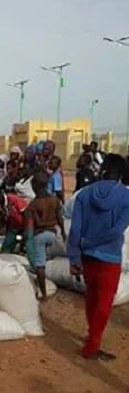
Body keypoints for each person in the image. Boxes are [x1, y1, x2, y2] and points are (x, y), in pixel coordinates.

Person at [68, 154, 129, 360]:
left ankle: (91, 336)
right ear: (121, 174)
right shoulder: (126, 197)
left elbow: (75, 230)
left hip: (87, 257)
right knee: (104, 302)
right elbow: (116, 231)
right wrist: (92, 242)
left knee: (92, 297)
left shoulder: (84, 194)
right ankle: (92, 346)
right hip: (110, 257)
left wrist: (75, 257)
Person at [24, 170, 66, 299]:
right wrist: (63, 232)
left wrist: (26, 240)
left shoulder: (33, 205)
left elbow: (29, 226)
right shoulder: (55, 200)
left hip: (40, 235)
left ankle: (44, 294)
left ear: (34, 186)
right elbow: (60, 218)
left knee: (39, 265)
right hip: (52, 234)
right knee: (47, 258)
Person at [0, 186, 28, 253]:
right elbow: (2, 220)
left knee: (24, 248)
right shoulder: (0, 206)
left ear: (1, 193)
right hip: (14, 229)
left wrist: (26, 230)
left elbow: (26, 214)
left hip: (25, 228)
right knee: (5, 250)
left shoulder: (13, 199)